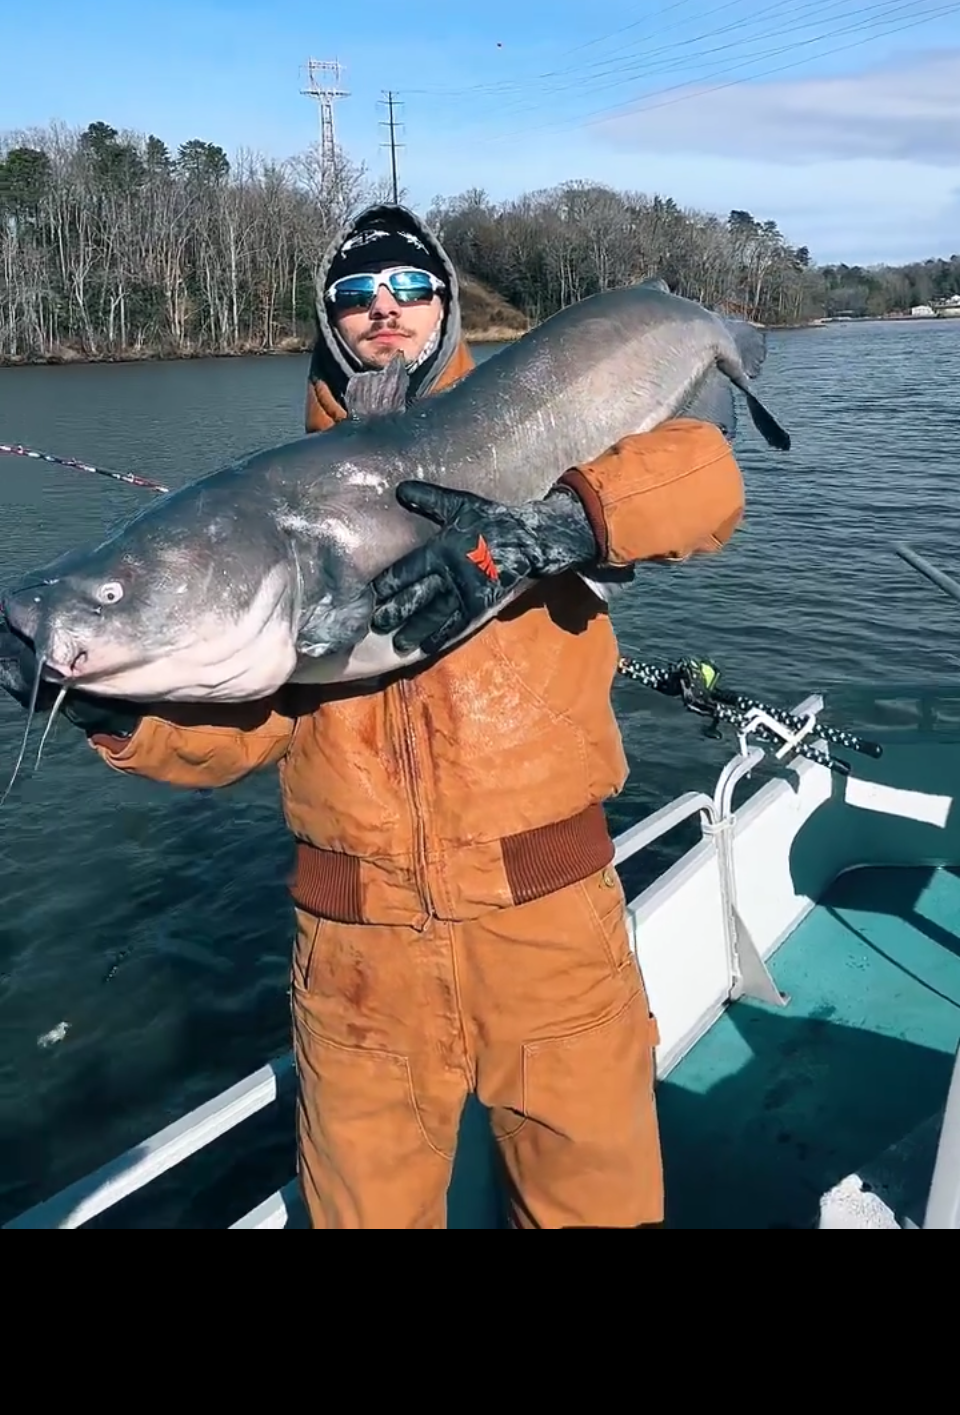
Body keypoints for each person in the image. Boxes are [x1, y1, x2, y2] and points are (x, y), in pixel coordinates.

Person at [0, 204, 746, 1230]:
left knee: (595, 1209)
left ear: (445, 300)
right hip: (356, 954)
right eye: (355, 296)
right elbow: (243, 733)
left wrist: (567, 523)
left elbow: (708, 479)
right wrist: (105, 703)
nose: (382, 311)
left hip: (547, 914)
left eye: (406, 287)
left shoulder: (550, 429)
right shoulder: (260, 512)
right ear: (331, 322)